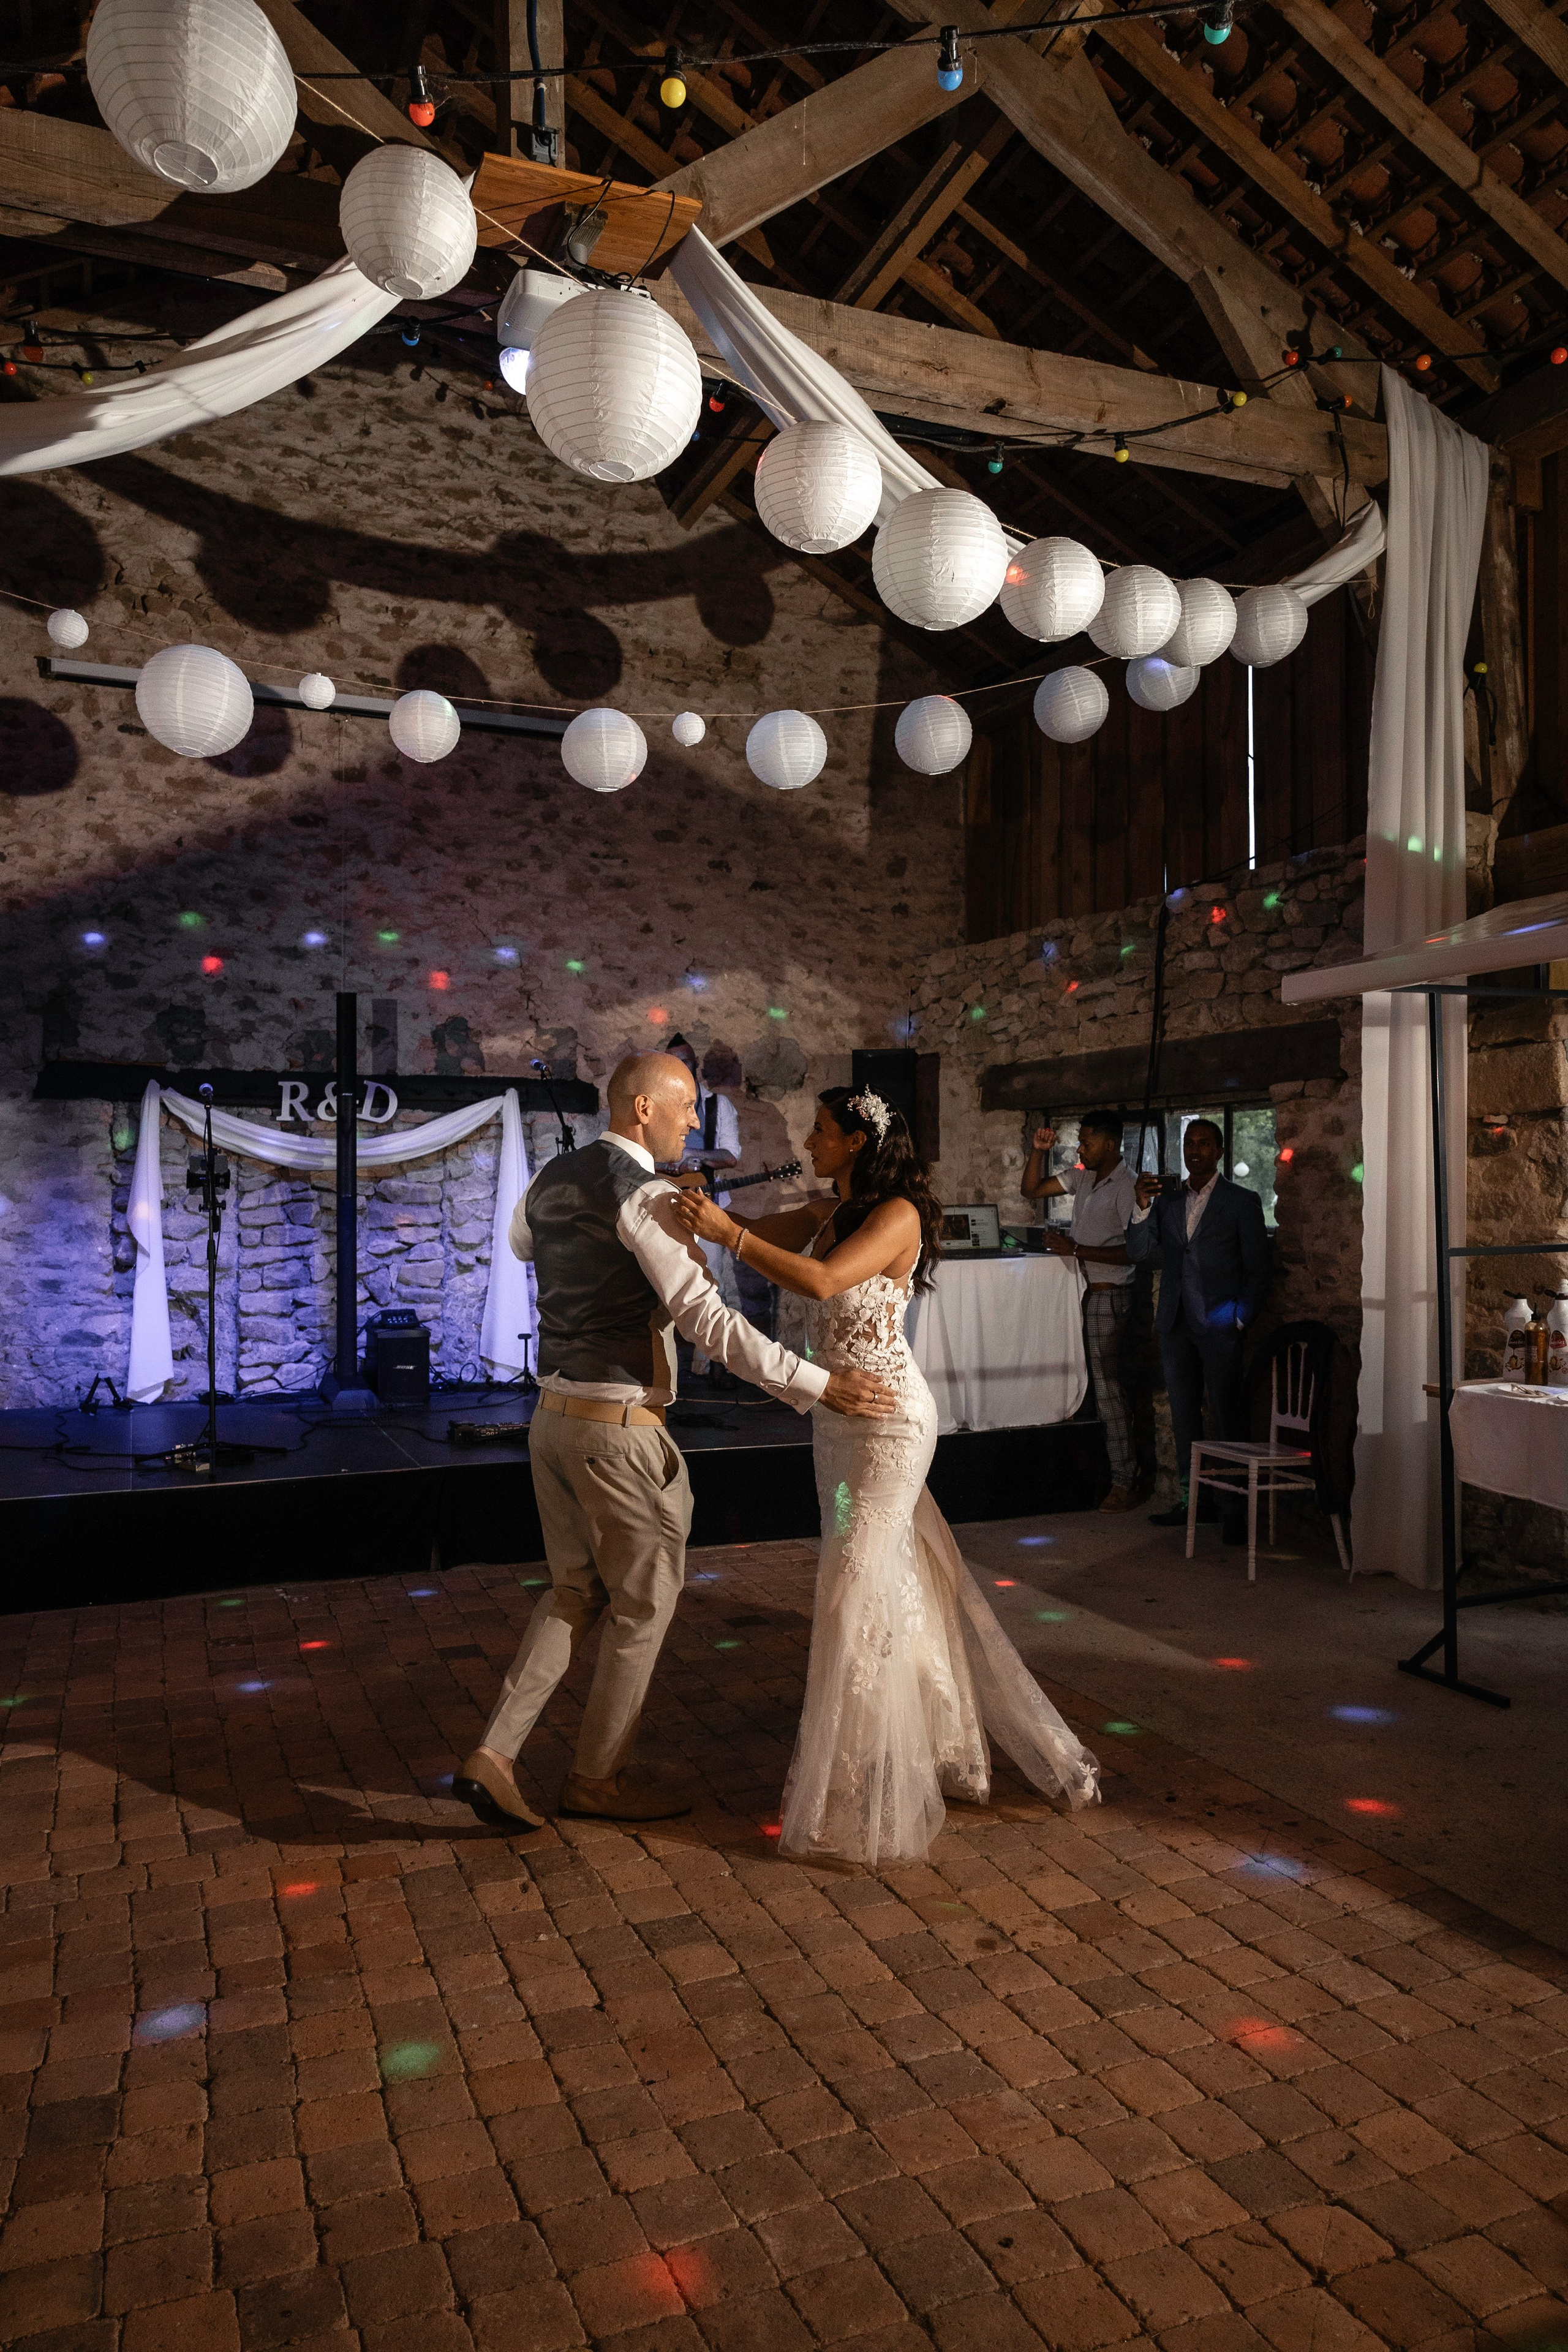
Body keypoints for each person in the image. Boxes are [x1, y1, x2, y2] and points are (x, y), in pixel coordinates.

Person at [454, 1052, 895, 1832]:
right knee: (643, 1608)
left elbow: (527, 1247)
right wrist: (818, 1384)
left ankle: (493, 1753)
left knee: (571, 1593)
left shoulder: (552, 1180)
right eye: (685, 1105)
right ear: (641, 1110)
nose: (695, 1120)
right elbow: (713, 1327)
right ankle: (596, 1779)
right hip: (618, 1434)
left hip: (551, 1420)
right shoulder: (647, 1196)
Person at [671, 1085, 1100, 1866]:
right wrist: (697, 1215)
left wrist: (725, 1231)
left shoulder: (895, 1213)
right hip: (836, 1418)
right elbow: (745, 1238)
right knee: (883, 1576)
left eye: (821, 1130)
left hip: (890, 1419)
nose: (808, 1138)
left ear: (857, 1143)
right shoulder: (824, 1210)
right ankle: (925, 1735)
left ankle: (857, 1774)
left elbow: (823, 1282)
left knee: (849, 1587)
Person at [1125, 1117, 1272, 1541]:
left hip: (1220, 1324)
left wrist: (1240, 1317)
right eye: (1190, 1142)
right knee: (1185, 1418)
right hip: (1175, 1323)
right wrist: (1141, 1206)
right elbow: (1140, 1253)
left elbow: (1259, 1271)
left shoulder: (1242, 1202)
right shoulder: (1169, 1202)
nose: (1195, 1150)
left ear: (1220, 1152)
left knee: (1229, 1417)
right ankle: (1195, 1503)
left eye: (1204, 1143)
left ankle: (1235, 1511)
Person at [1022, 1110, 1142, 1512]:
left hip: (1109, 1294)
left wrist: (1076, 1250)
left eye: (1086, 1142)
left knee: (1108, 1390)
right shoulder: (1083, 1176)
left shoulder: (1127, 1187)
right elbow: (1032, 1189)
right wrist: (1039, 1151)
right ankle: (1086, 1477)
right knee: (1081, 1387)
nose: (1080, 1148)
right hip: (1080, 1293)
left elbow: (1136, 1250)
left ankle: (1124, 1481)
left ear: (1110, 1144)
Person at [665, 1033, 742, 1381]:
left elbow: (731, 1155)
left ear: (695, 1067)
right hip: (665, 1201)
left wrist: (694, 1156)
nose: (679, 1068)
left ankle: (710, 1365)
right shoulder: (661, 1103)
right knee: (665, 1285)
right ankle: (666, 1368)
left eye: (684, 1062)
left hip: (706, 1203)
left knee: (710, 1285)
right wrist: (672, 1164)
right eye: (672, 1062)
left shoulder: (717, 1107)